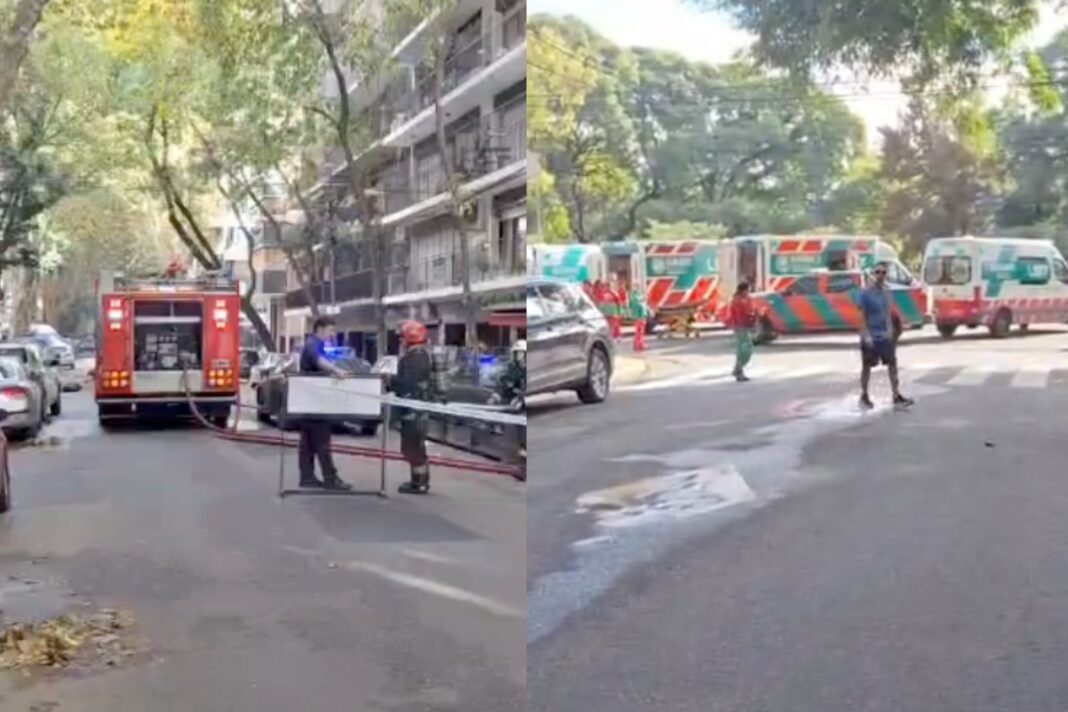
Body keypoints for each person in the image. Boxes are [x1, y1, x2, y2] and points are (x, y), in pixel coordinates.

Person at [298, 316, 352, 490]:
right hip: (316, 401)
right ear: (320, 328)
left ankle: (307, 477)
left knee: (307, 441)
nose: (332, 334)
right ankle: (331, 478)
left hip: (309, 400)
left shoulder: (312, 343)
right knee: (322, 440)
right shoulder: (314, 343)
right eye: (330, 330)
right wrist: (337, 371)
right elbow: (318, 361)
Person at [858, 262, 914, 409]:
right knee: (867, 367)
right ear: (873, 274)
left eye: (883, 272)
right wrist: (866, 335)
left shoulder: (887, 292)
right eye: (878, 272)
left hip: (884, 336)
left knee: (892, 365)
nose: (881, 275)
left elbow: (888, 314)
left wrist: (890, 331)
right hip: (871, 335)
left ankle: (896, 395)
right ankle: (864, 395)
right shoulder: (865, 293)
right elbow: (862, 316)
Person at [391, 320, 433, 494]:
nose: (401, 342)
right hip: (419, 410)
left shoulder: (411, 359)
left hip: (411, 411)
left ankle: (419, 483)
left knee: (412, 448)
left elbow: (405, 384)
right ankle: (419, 481)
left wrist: (390, 381)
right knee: (417, 447)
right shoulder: (423, 357)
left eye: (402, 338)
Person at [729, 281, 757, 382]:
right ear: (743, 290)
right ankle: (738, 370)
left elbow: (751, 311)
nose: (749, 291)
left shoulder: (748, 299)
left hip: (746, 326)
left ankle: (738, 369)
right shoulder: (737, 300)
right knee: (744, 349)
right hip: (740, 326)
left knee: (747, 349)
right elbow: (740, 314)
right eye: (748, 289)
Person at [629, 283, 648, 352]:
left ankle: (637, 344)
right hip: (640, 316)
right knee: (640, 331)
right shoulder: (638, 296)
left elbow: (631, 306)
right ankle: (639, 345)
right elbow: (641, 306)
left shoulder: (633, 296)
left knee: (638, 331)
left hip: (637, 316)